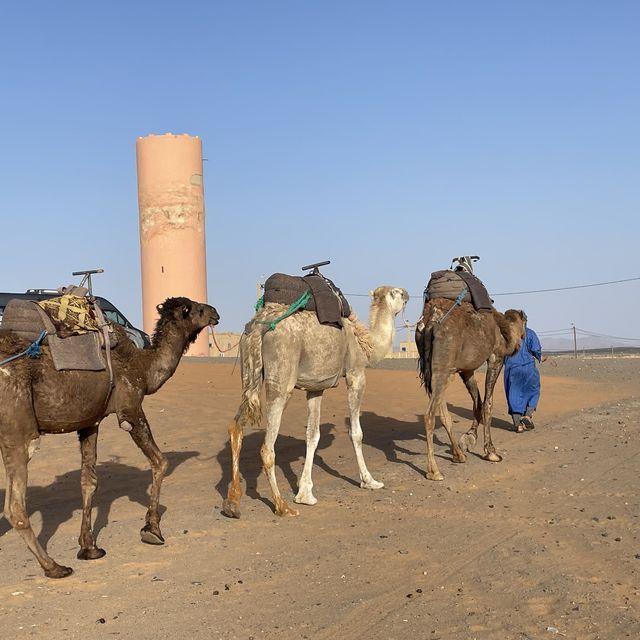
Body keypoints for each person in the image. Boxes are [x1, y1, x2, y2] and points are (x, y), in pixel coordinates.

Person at [503, 314, 544, 432]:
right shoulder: (530, 333)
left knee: (513, 394)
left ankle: (518, 424)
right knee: (533, 391)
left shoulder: (506, 334)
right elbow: (536, 350)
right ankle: (528, 415)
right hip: (529, 368)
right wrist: (541, 357)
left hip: (512, 369)